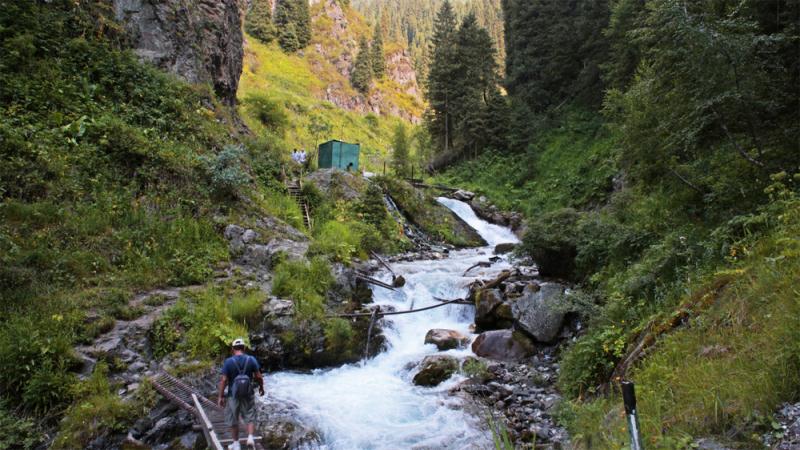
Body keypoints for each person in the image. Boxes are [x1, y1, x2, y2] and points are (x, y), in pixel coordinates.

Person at [217, 338, 264, 450]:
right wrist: (261, 387)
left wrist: (220, 396)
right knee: (250, 415)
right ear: (244, 348)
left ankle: (236, 444)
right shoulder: (251, 359)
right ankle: (250, 438)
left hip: (233, 395)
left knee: (233, 418)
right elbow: (258, 376)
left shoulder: (228, 362)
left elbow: (224, 380)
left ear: (233, 349)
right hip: (248, 393)